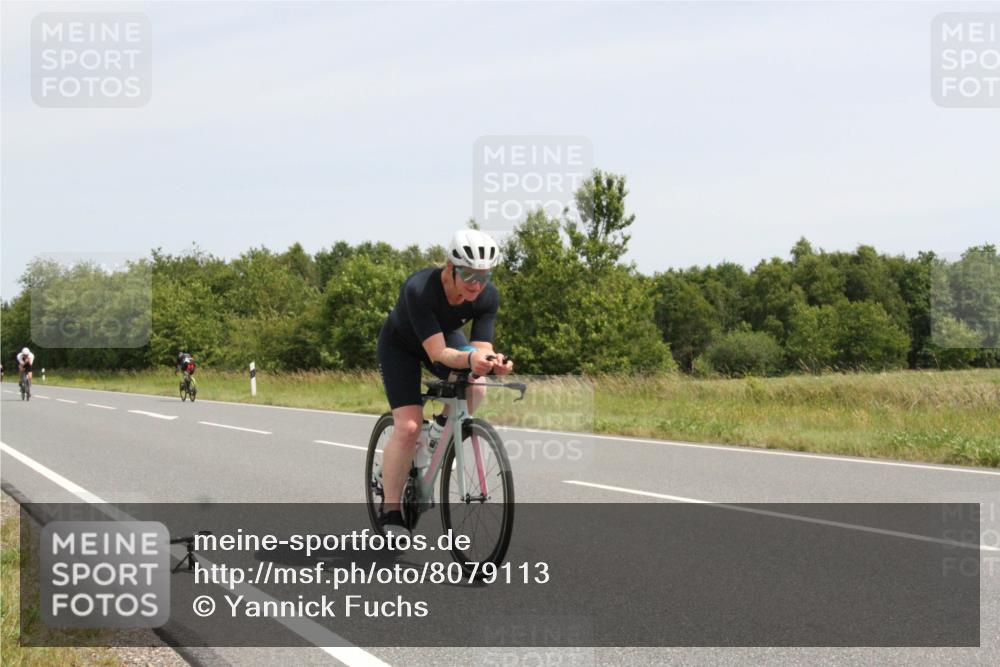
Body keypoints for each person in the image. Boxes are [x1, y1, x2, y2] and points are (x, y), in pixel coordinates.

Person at [376, 229, 513, 538]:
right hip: (401, 346)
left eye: (485, 276)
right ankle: (392, 509)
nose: (476, 285)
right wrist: (469, 361)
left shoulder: (487, 296)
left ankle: (439, 431)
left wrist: (493, 362)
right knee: (409, 427)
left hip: (443, 338)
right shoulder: (420, 288)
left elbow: (479, 347)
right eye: (469, 276)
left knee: (476, 387)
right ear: (450, 268)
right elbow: (438, 354)